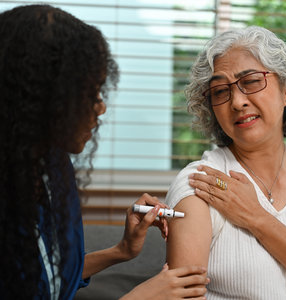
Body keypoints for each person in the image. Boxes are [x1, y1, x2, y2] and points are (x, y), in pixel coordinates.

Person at [0, 4, 208, 300]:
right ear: (41, 97)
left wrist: (120, 251)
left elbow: (47, 280)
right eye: (89, 93)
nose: (101, 106)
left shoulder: (53, 168)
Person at [164, 26, 286, 299]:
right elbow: (184, 296)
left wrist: (256, 217)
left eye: (251, 81)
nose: (237, 102)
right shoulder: (202, 182)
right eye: (220, 91)